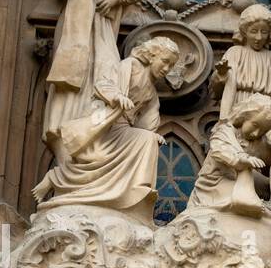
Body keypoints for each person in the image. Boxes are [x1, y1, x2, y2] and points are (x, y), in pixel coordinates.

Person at [33, 36, 179, 219]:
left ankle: (137, 190)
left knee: (147, 141)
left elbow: (149, 116)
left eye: (170, 66)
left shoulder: (151, 90)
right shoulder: (131, 66)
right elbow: (104, 83)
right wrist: (116, 96)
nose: (166, 69)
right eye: (165, 62)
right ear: (151, 55)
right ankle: (56, 178)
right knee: (96, 158)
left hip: (124, 127)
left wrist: (151, 133)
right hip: (107, 122)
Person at [43, 0, 144, 145]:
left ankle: (97, 129)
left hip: (105, 26)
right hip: (76, 29)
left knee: (106, 69)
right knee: (76, 73)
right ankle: (67, 129)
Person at [214, 4, 271, 206]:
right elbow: (223, 90)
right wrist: (225, 120)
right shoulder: (234, 53)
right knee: (237, 154)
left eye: (264, 32)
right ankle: (235, 200)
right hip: (241, 109)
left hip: (268, 114)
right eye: (253, 31)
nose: (258, 37)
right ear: (244, 31)